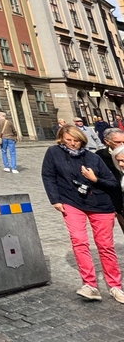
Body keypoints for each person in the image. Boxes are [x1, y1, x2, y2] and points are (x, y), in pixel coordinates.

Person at [41, 124, 124, 303]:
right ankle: (90, 285)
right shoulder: (53, 153)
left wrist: (94, 179)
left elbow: (112, 183)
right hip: (71, 201)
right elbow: (48, 175)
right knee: (79, 241)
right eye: (68, 140)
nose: (72, 144)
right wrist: (54, 199)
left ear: (82, 140)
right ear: (61, 139)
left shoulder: (93, 158)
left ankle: (115, 286)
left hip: (100, 203)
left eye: (76, 140)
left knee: (105, 246)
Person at [96, 127, 124, 233]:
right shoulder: (100, 157)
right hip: (117, 202)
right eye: (118, 142)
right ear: (107, 141)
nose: (122, 144)